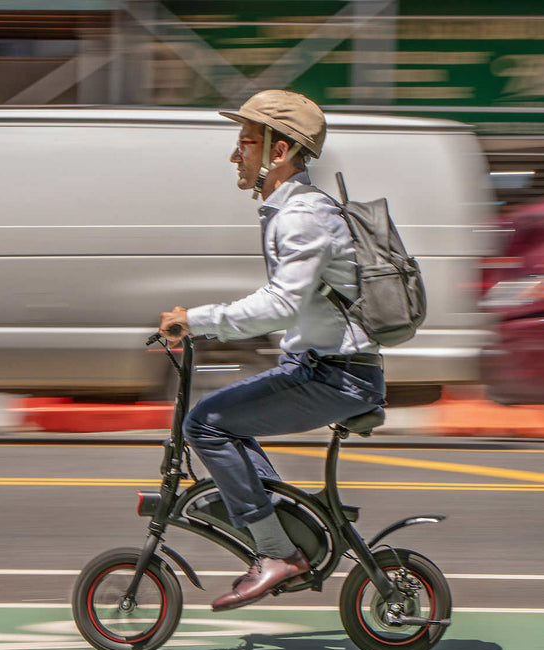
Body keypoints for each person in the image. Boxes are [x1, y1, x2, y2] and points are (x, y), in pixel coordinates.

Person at [158, 89, 385, 612]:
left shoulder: (303, 215)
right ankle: (285, 533)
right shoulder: (291, 211)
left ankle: (279, 552)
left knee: (206, 424)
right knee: (224, 419)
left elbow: (281, 305)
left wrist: (196, 321)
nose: (235, 155)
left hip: (336, 376)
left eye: (245, 143)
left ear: (278, 153)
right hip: (315, 366)